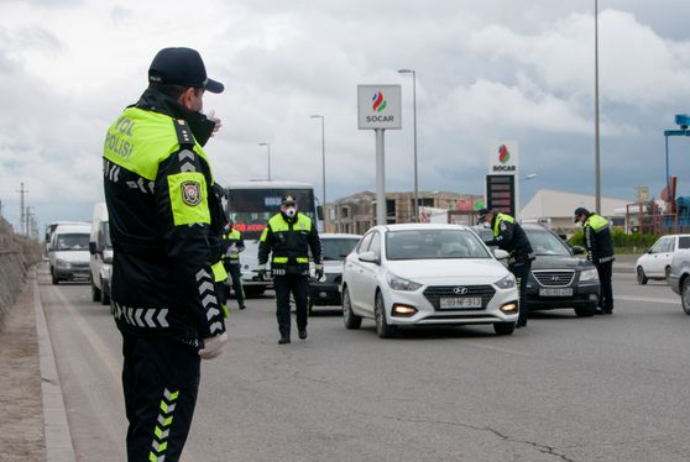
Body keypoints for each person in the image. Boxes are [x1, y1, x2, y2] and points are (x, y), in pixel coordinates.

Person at [103, 47, 228, 462]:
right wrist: (211, 321)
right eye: (202, 96)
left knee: (143, 425)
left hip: (133, 306)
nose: (203, 104)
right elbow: (187, 243)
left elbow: (144, 196)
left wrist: (194, 133)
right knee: (159, 443)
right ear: (190, 95)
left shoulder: (125, 124)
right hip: (169, 319)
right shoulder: (179, 154)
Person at [258, 195, 323, 344]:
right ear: (281, 207)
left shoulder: (306, 222)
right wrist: (261, 267)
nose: (289, 208)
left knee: (302, 302)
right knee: (282, 304)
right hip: (281, 273)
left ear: (297, 206)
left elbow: (316, 245)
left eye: (292, 205)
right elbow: (264, 246)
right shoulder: (273, 223)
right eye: (286, 206)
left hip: (300, 271)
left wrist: (319, 266)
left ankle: (302, 327)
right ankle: (285, 334)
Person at [478, 209, 535, 328]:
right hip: (516, 258)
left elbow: (506, 237)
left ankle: (520, 320)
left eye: (485, 219)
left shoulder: (502, 220)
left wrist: (488, 242)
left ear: (490, 215)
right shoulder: (496, 223)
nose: (485, 222)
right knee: (517, 289)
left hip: (521, 258)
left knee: (519, 290)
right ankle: (520, 319)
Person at [574, 207, 615, 314]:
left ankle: (600, 306)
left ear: (582, 215)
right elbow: (609, 240)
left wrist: (592, 263)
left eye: (579, 219)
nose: (580, 222)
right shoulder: (600, 219)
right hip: (609, 257)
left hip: (599, 259)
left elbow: (590, 246)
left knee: (599, 282)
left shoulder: (589, 225)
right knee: (607, 282)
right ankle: (609, 306)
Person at [221, 218, 247, 310]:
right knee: (222, 284)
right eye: (225, 223)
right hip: (222, 262)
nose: (227, 225)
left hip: (234, 262)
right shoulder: (219, 233)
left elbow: (242, 246)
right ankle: (222, 304)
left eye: (228, 223)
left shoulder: (237, 233)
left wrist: (237, 249)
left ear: (231, 224)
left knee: (237, 283)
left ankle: (241, 303)